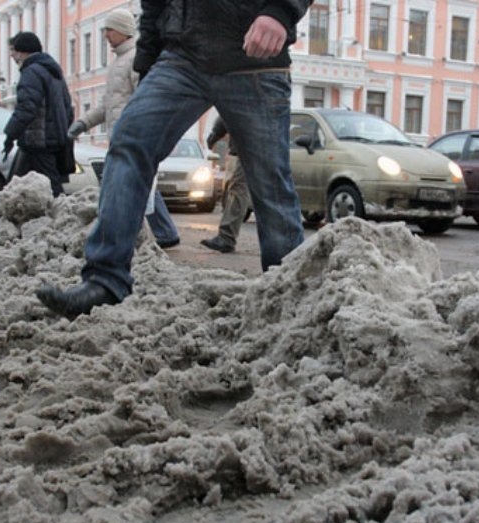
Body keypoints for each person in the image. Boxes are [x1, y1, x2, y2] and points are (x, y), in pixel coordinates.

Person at [36, 1, 310, 320]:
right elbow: (153, 6)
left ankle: (290, 295)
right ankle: (104, 281)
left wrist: (281, 11)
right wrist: (147, 65)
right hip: (182, 56)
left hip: (255, 56)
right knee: (129, 141)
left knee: (270, 180)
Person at [68, 9, 180, 249]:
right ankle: (162, 231)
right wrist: (83, 123)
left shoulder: (136, 59)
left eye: (109, 29)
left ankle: (147, 232)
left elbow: (143, 98)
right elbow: (107, 105)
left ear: (123, 30)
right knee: (139, 182)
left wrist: (136, 130)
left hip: (133, 135)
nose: (106, 34)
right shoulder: (120, 61)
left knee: (131, 182)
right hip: (120, 133)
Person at [2, 32, 74, 197]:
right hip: (53, 138)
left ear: (22, 51)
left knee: (48, 186)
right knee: (18, 186)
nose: (12, 54)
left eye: (13, 50)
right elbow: (67, 107)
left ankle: (63, 217)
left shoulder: (31, 72)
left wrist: (10, 133)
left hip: (38, 140)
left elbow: (26, 107)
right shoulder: (52, 70)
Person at [200, 116, 253, 254]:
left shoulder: (242, 95)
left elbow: (227, 109)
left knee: (238, 190)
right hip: (268, 144)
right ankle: (285, 245)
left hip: (250, 145)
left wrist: (214, 135)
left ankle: (227, 238)